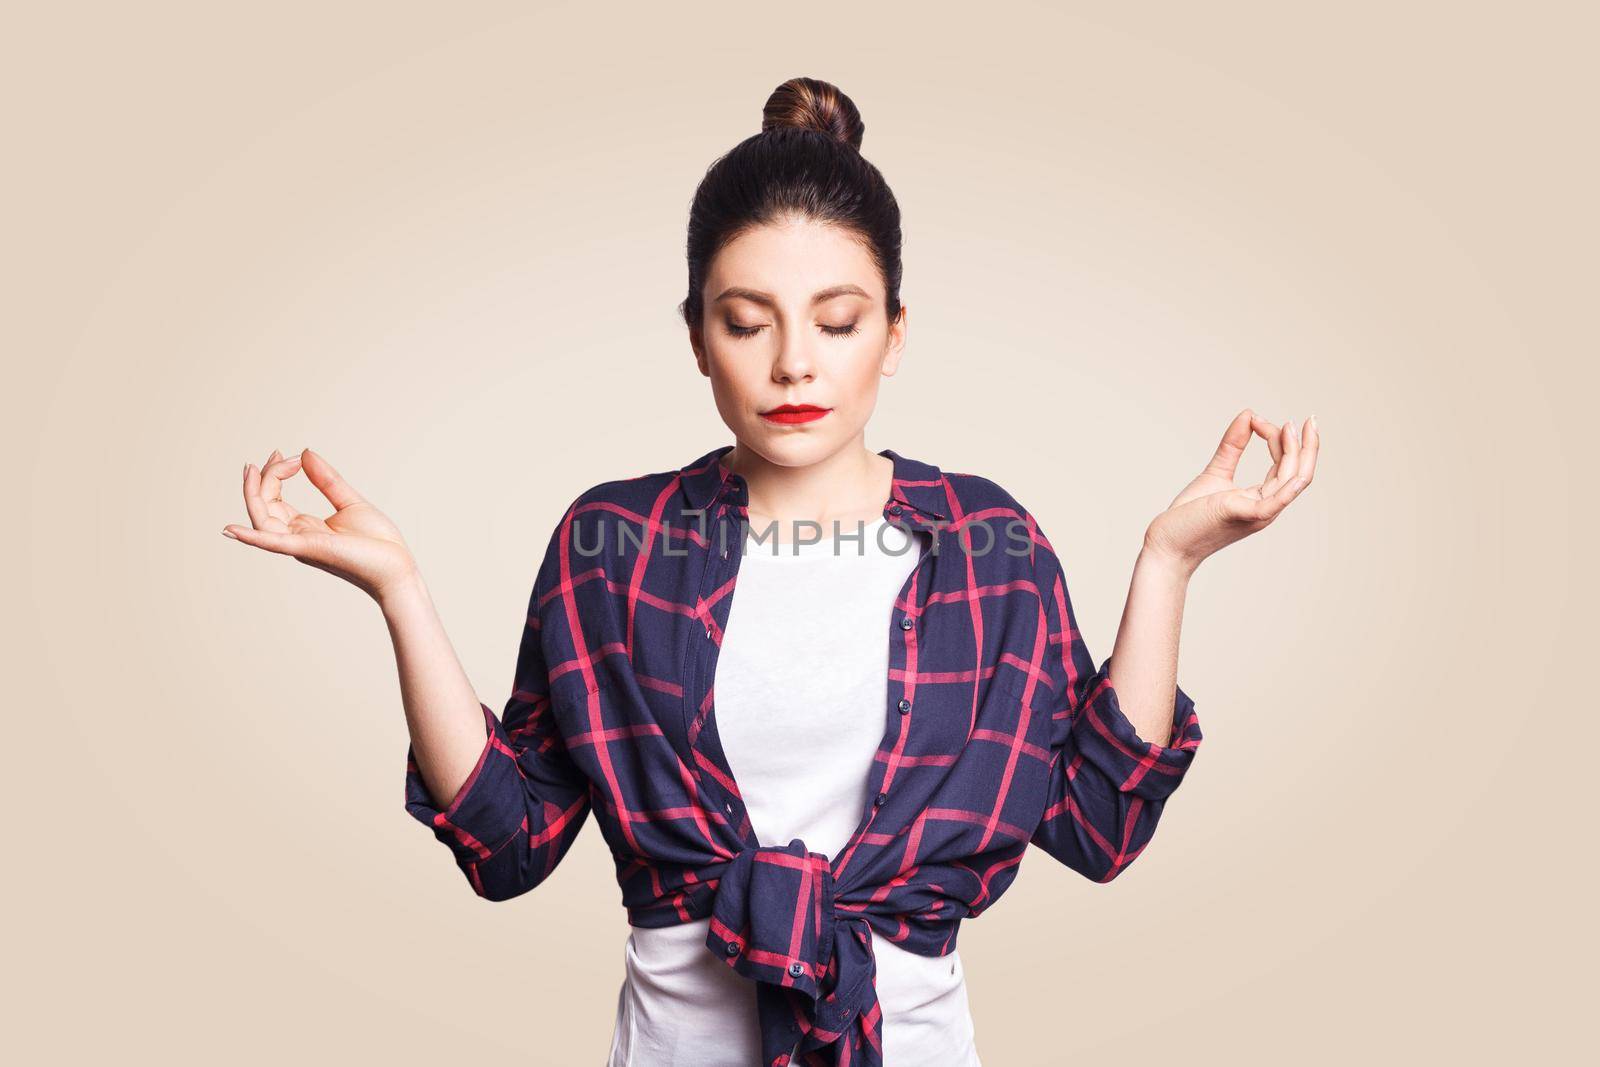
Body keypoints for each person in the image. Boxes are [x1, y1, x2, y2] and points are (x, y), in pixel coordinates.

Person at [222, 76, 1319, 1067]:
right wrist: (399, 590)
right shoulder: (613, 545)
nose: (793, 360)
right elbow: (507, 842)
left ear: (892, 334)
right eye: (746, 322)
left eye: (836, 322)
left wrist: (1167, 564)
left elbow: (1096, 821)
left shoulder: (990, 546)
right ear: (697, 336)